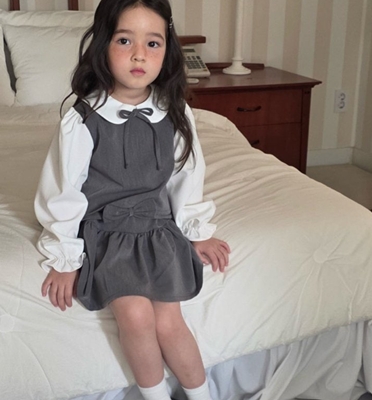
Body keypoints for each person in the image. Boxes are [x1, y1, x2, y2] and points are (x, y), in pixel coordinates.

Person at [34, 0, 230, 399]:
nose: (140, 54)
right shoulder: (83, 118)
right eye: (125, 40)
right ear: (103, 45)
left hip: (157, 228)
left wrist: (196, 229)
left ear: (167, 51)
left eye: (153, 43)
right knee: (137, 316)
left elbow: (186, 177)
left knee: (169, 320)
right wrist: (65, 259)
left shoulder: (175, 112)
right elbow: (63, 190)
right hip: (108, 230)